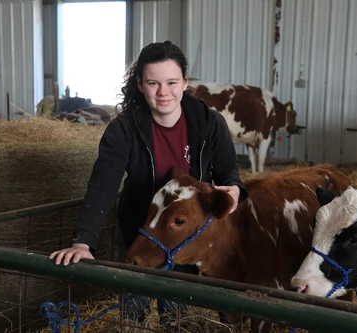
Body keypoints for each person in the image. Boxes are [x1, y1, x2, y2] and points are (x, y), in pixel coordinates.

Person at [49, 41, 249, 327]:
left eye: (171, 82)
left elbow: (229, 172)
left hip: (185, 234)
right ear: (140, 84)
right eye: (153, 83)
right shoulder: (125, 128)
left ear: (185, 82)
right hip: (139, 230)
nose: (163, 92)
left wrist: (234, 189)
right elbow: (103, 185)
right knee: (135, 314)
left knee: (179, 315)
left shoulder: (210, 122)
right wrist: (83, 241)